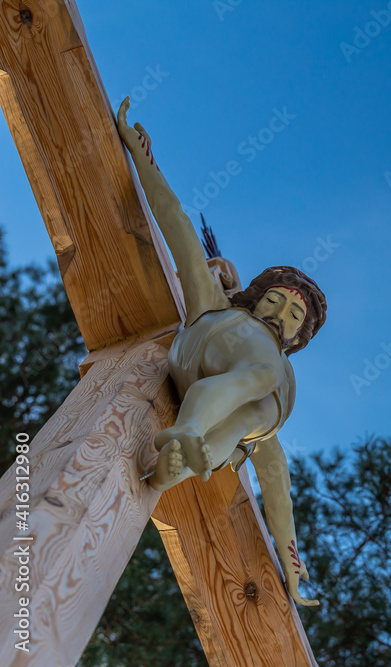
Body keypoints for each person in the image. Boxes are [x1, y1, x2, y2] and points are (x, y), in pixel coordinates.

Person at [117, 97, 325, 606]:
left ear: (301, 336)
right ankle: (189, 432)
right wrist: (142, 155)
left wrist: (293, 572)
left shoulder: (278, 390)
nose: (282, 314)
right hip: (201, 358)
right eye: (275, 300)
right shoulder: (220, 307)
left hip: (232, 423)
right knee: (262, 383)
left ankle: (180, 460)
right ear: (256, 297)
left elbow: (278, 493)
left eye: (294, 316)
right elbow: (177, 224)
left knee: (253, 428)